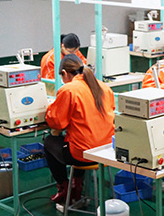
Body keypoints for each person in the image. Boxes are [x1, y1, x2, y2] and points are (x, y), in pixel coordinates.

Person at [44, 55, 115, 204]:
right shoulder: (104, 87)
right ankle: (77, 184)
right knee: (80, 140)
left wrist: (50, 109)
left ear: (64, 73)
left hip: (82, 155)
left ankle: (64, 187)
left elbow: (57, 123)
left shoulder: (68, 90)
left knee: (50, 141)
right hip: (106, 151)